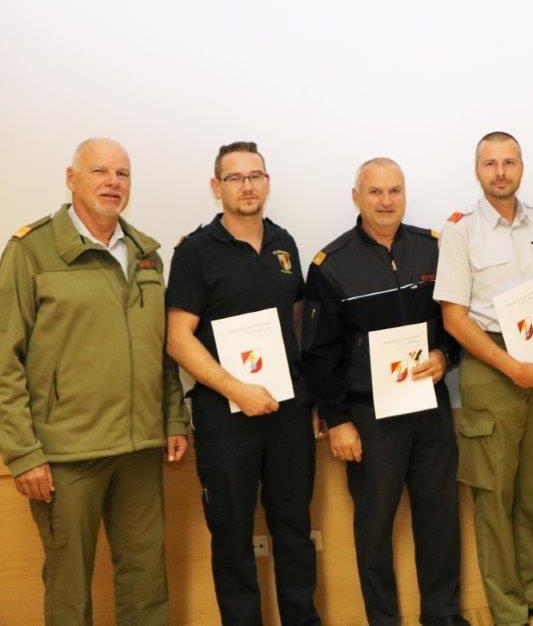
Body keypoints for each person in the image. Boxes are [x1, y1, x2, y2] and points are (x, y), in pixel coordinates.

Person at [0, 137, 189, 625]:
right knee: (69, 589)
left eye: (122, 174)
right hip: (66, 453)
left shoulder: (146, 254)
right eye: (99, 171)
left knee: (146, 583)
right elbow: (5, 359)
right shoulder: (31, 250)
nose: (112, 183)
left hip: (140, 446)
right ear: (71, 178)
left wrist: (173, 417)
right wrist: (22, 452)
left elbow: (160, 349)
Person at [302, 158, 465, 626]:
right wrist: (338, 420)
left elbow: (455, 321)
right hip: (370, 417)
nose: (386, 200)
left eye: (395, 190)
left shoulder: (433, 249)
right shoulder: (331, 265)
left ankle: (443, 617)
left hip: (429, 408)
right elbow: (319, 353)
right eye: (375, 192)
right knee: (374, 530)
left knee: (440, 521)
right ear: (356, 197)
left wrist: (445, 356)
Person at [166, 141, 320, 625]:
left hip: (287, 413)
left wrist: (310, 394)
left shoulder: (284, 243)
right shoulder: (194, 252)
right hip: (224, 417)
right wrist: (237, 390)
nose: (247, 186)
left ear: (267, 183)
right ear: (217, 188)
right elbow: (177, 339)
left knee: (295, 530)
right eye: (235, 178)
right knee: (232, 538)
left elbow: (297, 323)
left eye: (255, 176)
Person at [433, 132, 533, 626]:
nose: (500, 172)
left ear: (521, 167)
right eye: (490, 163)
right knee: (494, 498)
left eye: (509, 162)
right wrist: (508, 366)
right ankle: (509, 611)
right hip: (491, 368)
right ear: (477, 170)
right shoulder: (460, 231)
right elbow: (454, 319)